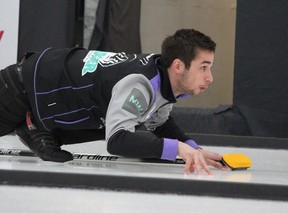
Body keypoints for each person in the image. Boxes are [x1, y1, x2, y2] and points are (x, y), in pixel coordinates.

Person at [0, 29, 226, 175]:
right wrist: (178, 148)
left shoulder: (163, 83)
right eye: (203, 67)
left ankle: (37, 128)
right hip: (20, 86)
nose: (210, 78)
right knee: (125, 127)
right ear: (178, 66)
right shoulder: (141, 85)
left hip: (38, 92)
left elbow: (161, 124)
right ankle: (34, 127)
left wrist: (195, 150)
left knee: (130, 120)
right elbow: (117, 141)